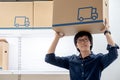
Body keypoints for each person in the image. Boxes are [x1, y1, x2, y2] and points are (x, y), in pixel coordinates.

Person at [45, 21, 119, 80]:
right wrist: (56, 38)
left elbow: (114, 54)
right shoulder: (71, 60)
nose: (83, 42)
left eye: (86, 39)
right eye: (80, 40)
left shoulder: (98, 59)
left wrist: (106, 32)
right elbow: (49, 59)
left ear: (90, 43)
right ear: (77, 45)